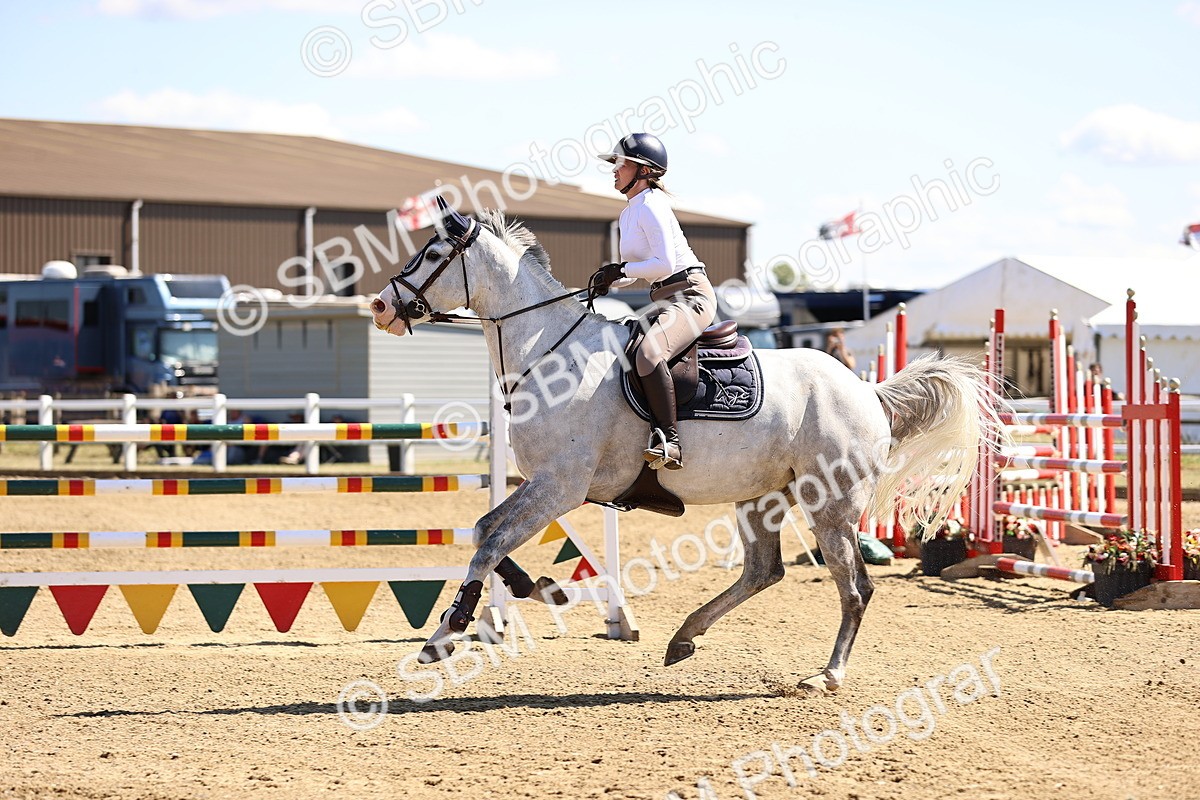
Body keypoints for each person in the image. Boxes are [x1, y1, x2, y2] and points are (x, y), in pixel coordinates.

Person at [590, 133, 717, 470]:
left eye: (621, 163)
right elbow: (639, 271)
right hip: (664, 299)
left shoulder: (652, 206)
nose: (614, 170)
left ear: (643, 170)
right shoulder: (628, 213)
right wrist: (611, 278)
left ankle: (670, 441)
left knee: (649, 352)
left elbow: (662, 264)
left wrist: (623, 269)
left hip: (691, 295)